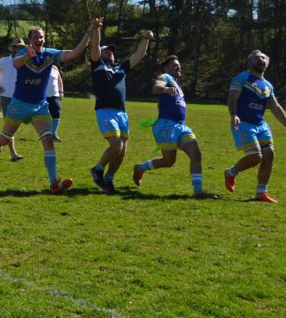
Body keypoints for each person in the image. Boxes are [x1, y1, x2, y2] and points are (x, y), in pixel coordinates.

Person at [0, 21, 94, 194]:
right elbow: (17, 63)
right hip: (19, 104)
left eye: (41, 37)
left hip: (40, 106)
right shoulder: (22, 52)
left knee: (48, 140)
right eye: (35, 37)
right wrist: (27, 57)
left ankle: (53, 182)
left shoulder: (50, 54)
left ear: (44, 38)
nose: (39, 39)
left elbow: (75, 53)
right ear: (29, 40)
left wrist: (89, 31)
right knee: (3, 139)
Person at [132, 55, 219, 199]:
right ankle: (140, 168)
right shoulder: (165, 77)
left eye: (179, 65)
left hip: (181, 126)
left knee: (196, 154)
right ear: (166, 67)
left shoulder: (177, 83)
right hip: (166, 125)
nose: (178, 67)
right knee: (168, 161)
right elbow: (156, 87)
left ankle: (198, 192)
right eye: (174, 65)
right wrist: (165, 89)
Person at [88, 22, 152, 194]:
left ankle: (108, 179)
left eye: (111, 51)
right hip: (105, 110)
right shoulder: (97, 65)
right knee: (116, 145)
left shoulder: (120, 68)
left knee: (122, 150)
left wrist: (146, 38)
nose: (110, 53)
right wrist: (97, 29)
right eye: (106, 51)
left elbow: (139, 55)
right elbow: (94, 48)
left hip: (122, 113)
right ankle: (98, 169)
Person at [223, 50, 286, 202]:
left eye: (263, 58)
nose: (260, 60)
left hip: (260, 124)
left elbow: (275, 106)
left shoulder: (268, 85)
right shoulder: (242, 77)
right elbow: (232, 98)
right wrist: (233, 115)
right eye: (256, 58)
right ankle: (231, 173)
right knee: (255, 156)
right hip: (243, 123)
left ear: (267, 63)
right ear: (250, 62)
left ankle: (261, 193)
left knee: (269, 154)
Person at [0, 39, 26, 161]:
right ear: (13, 48)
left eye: (22, 47)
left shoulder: (25, 61)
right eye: (18, 47)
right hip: (6, 98)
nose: (21, 49)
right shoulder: (4, 61)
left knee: (11, 126)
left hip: (20, 97)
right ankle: (13, 154)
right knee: (10, 124)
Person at [46, 63, 64, 140]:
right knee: (43, 115)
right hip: (42, 96)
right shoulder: (39, 67)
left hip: (54, 95)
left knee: (57, 113)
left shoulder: (55, 68)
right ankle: (45, 134)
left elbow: (59, 80)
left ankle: (53, 134)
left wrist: (61, 92)